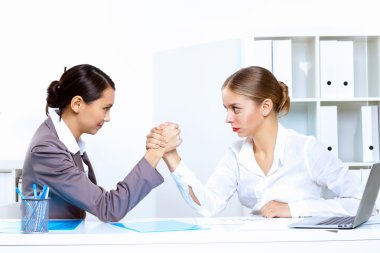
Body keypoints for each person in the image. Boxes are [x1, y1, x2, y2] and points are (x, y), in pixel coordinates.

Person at [146, 66, 364, 218]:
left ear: (265, 107)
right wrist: (171, 155)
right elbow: (209, 206)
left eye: (236, 108)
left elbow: (362, 202)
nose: (228, 118)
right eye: (226, 109)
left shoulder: (305, 149)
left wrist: (294, 208)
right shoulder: (236, 154)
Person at [22, 64, 181, 222]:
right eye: (105, 108)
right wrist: (156, 151)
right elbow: (109, 208)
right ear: (77, 103)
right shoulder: (47, 149)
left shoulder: (62, 140)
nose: (107, 118)